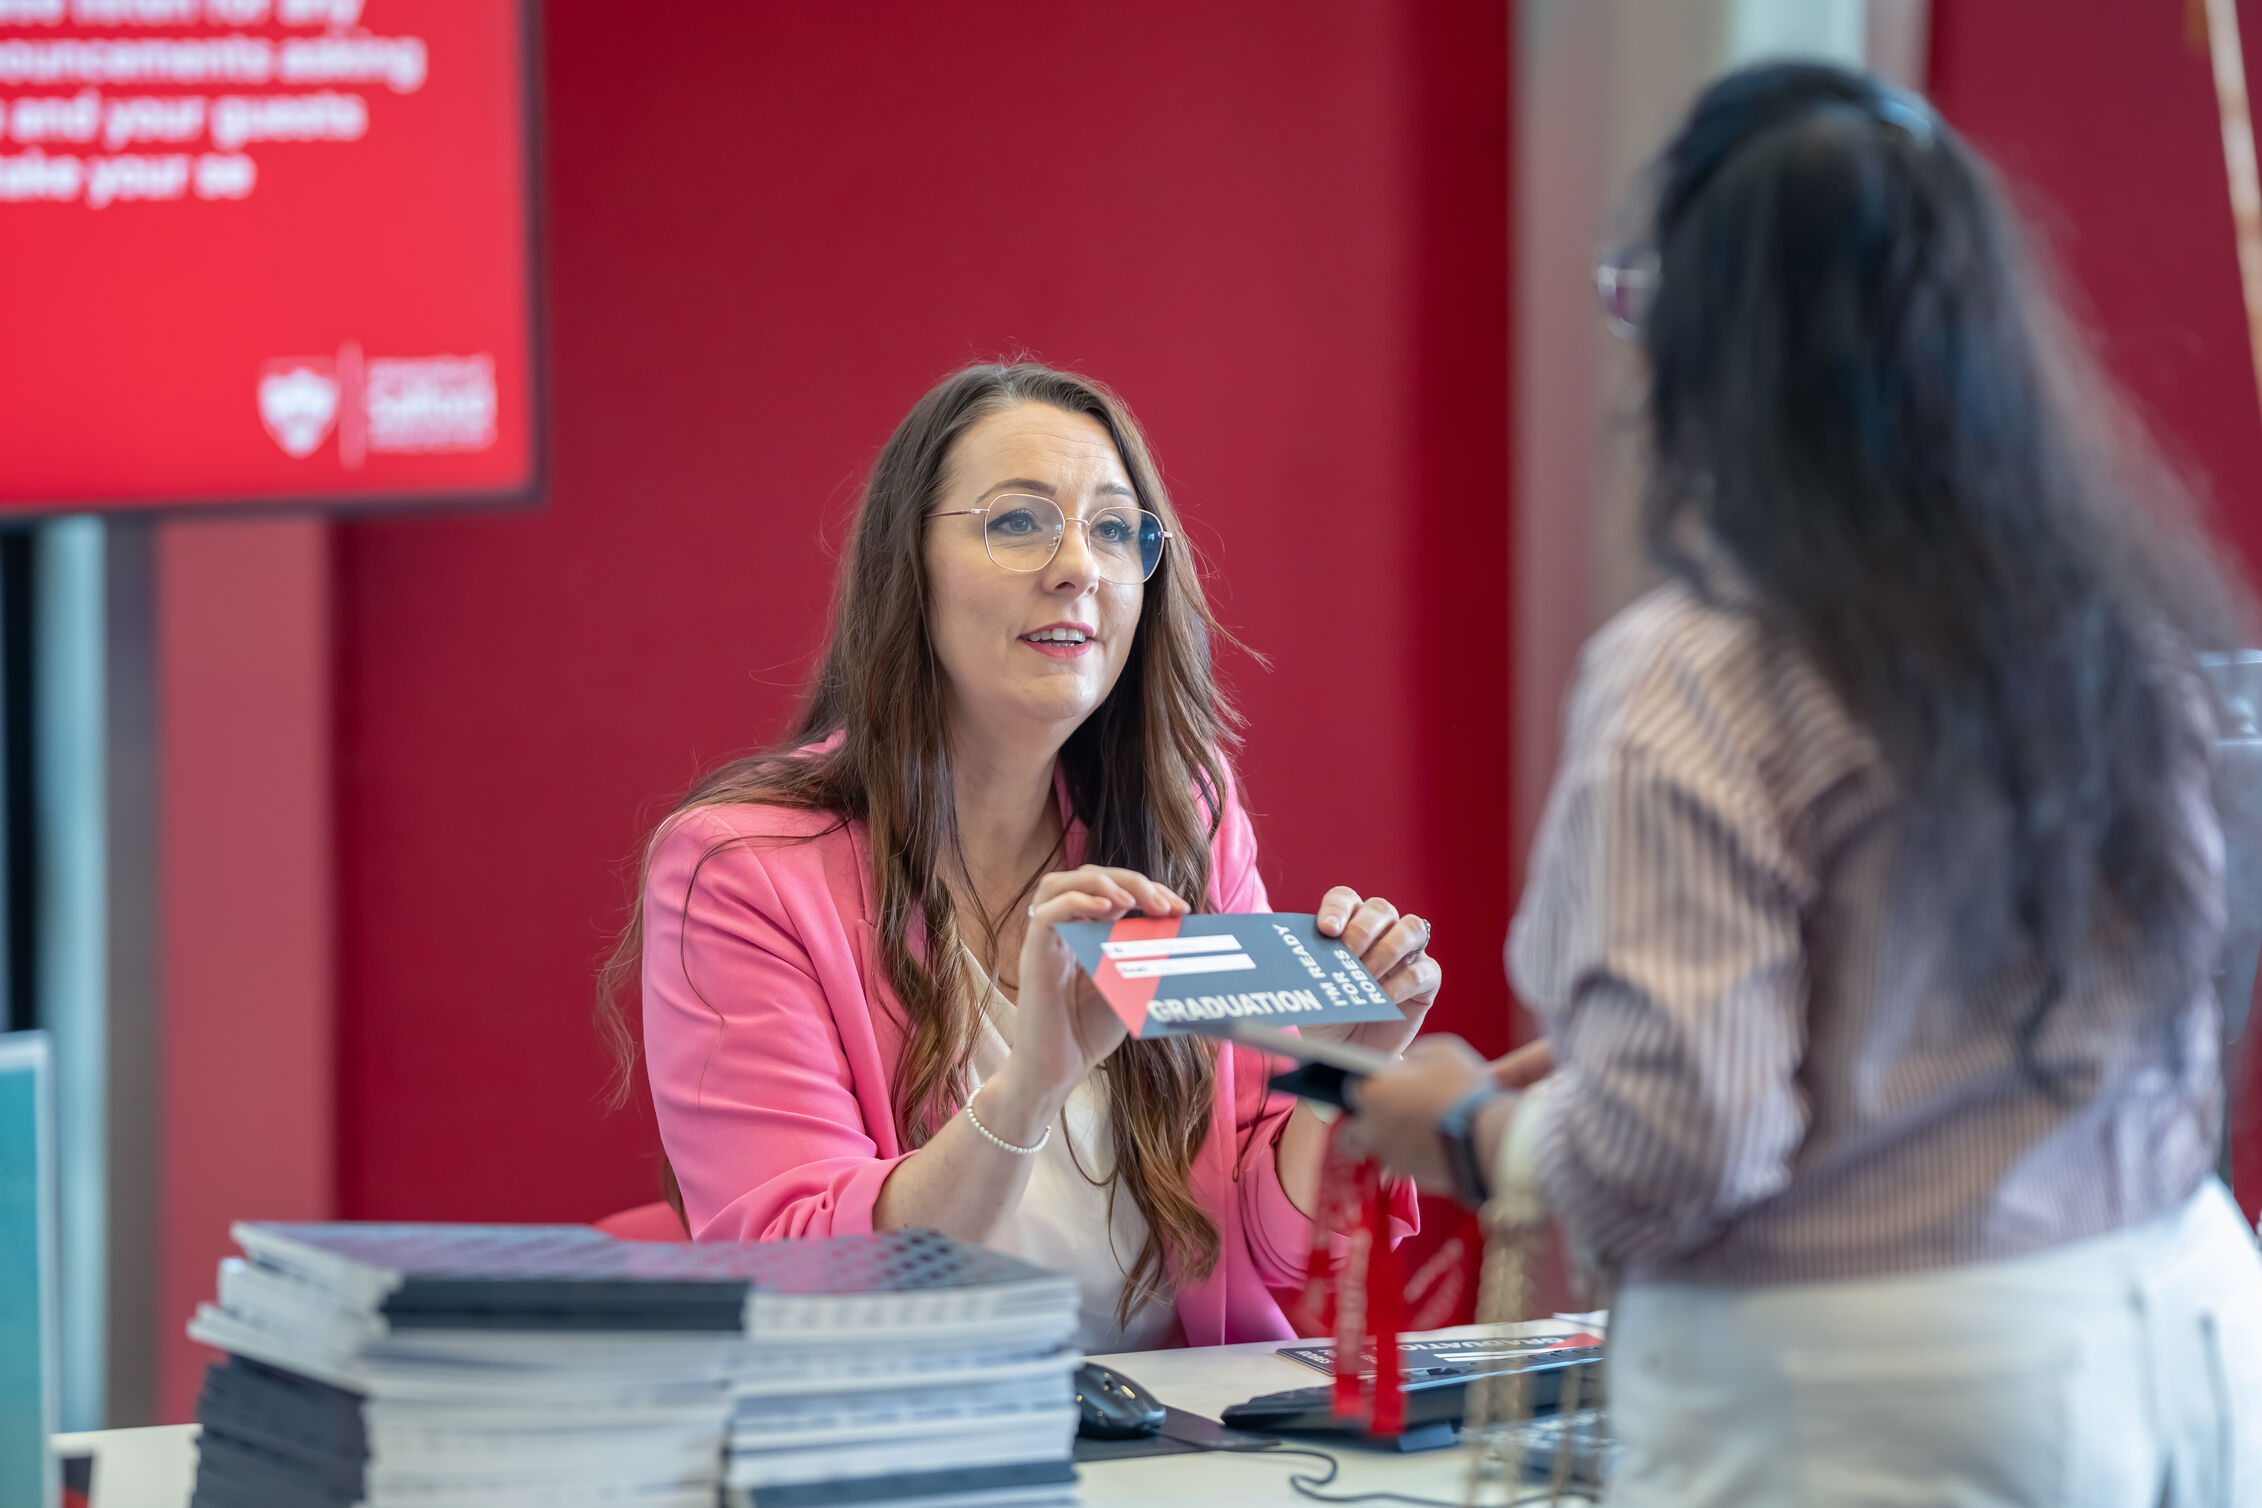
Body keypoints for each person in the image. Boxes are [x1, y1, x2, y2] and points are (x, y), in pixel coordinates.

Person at [1341, 62, 2262, 1507]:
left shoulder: (1702, 668)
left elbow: (1680, 1146)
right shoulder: (2114, 619)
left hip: (1883, 1402)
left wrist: (1462, 1124)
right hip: (2183, 1319)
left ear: (1705, 349)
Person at [597, 362, 1433, 1351]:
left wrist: (1350, 1066)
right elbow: (800, 1282)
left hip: (1177, 1453)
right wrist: (1028, 1086)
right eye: (1020, 520)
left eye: (1116, 528)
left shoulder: (1185, 817)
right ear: (908, 563)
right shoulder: (742, 869)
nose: (1079, 564)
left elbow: (1259, 1253)